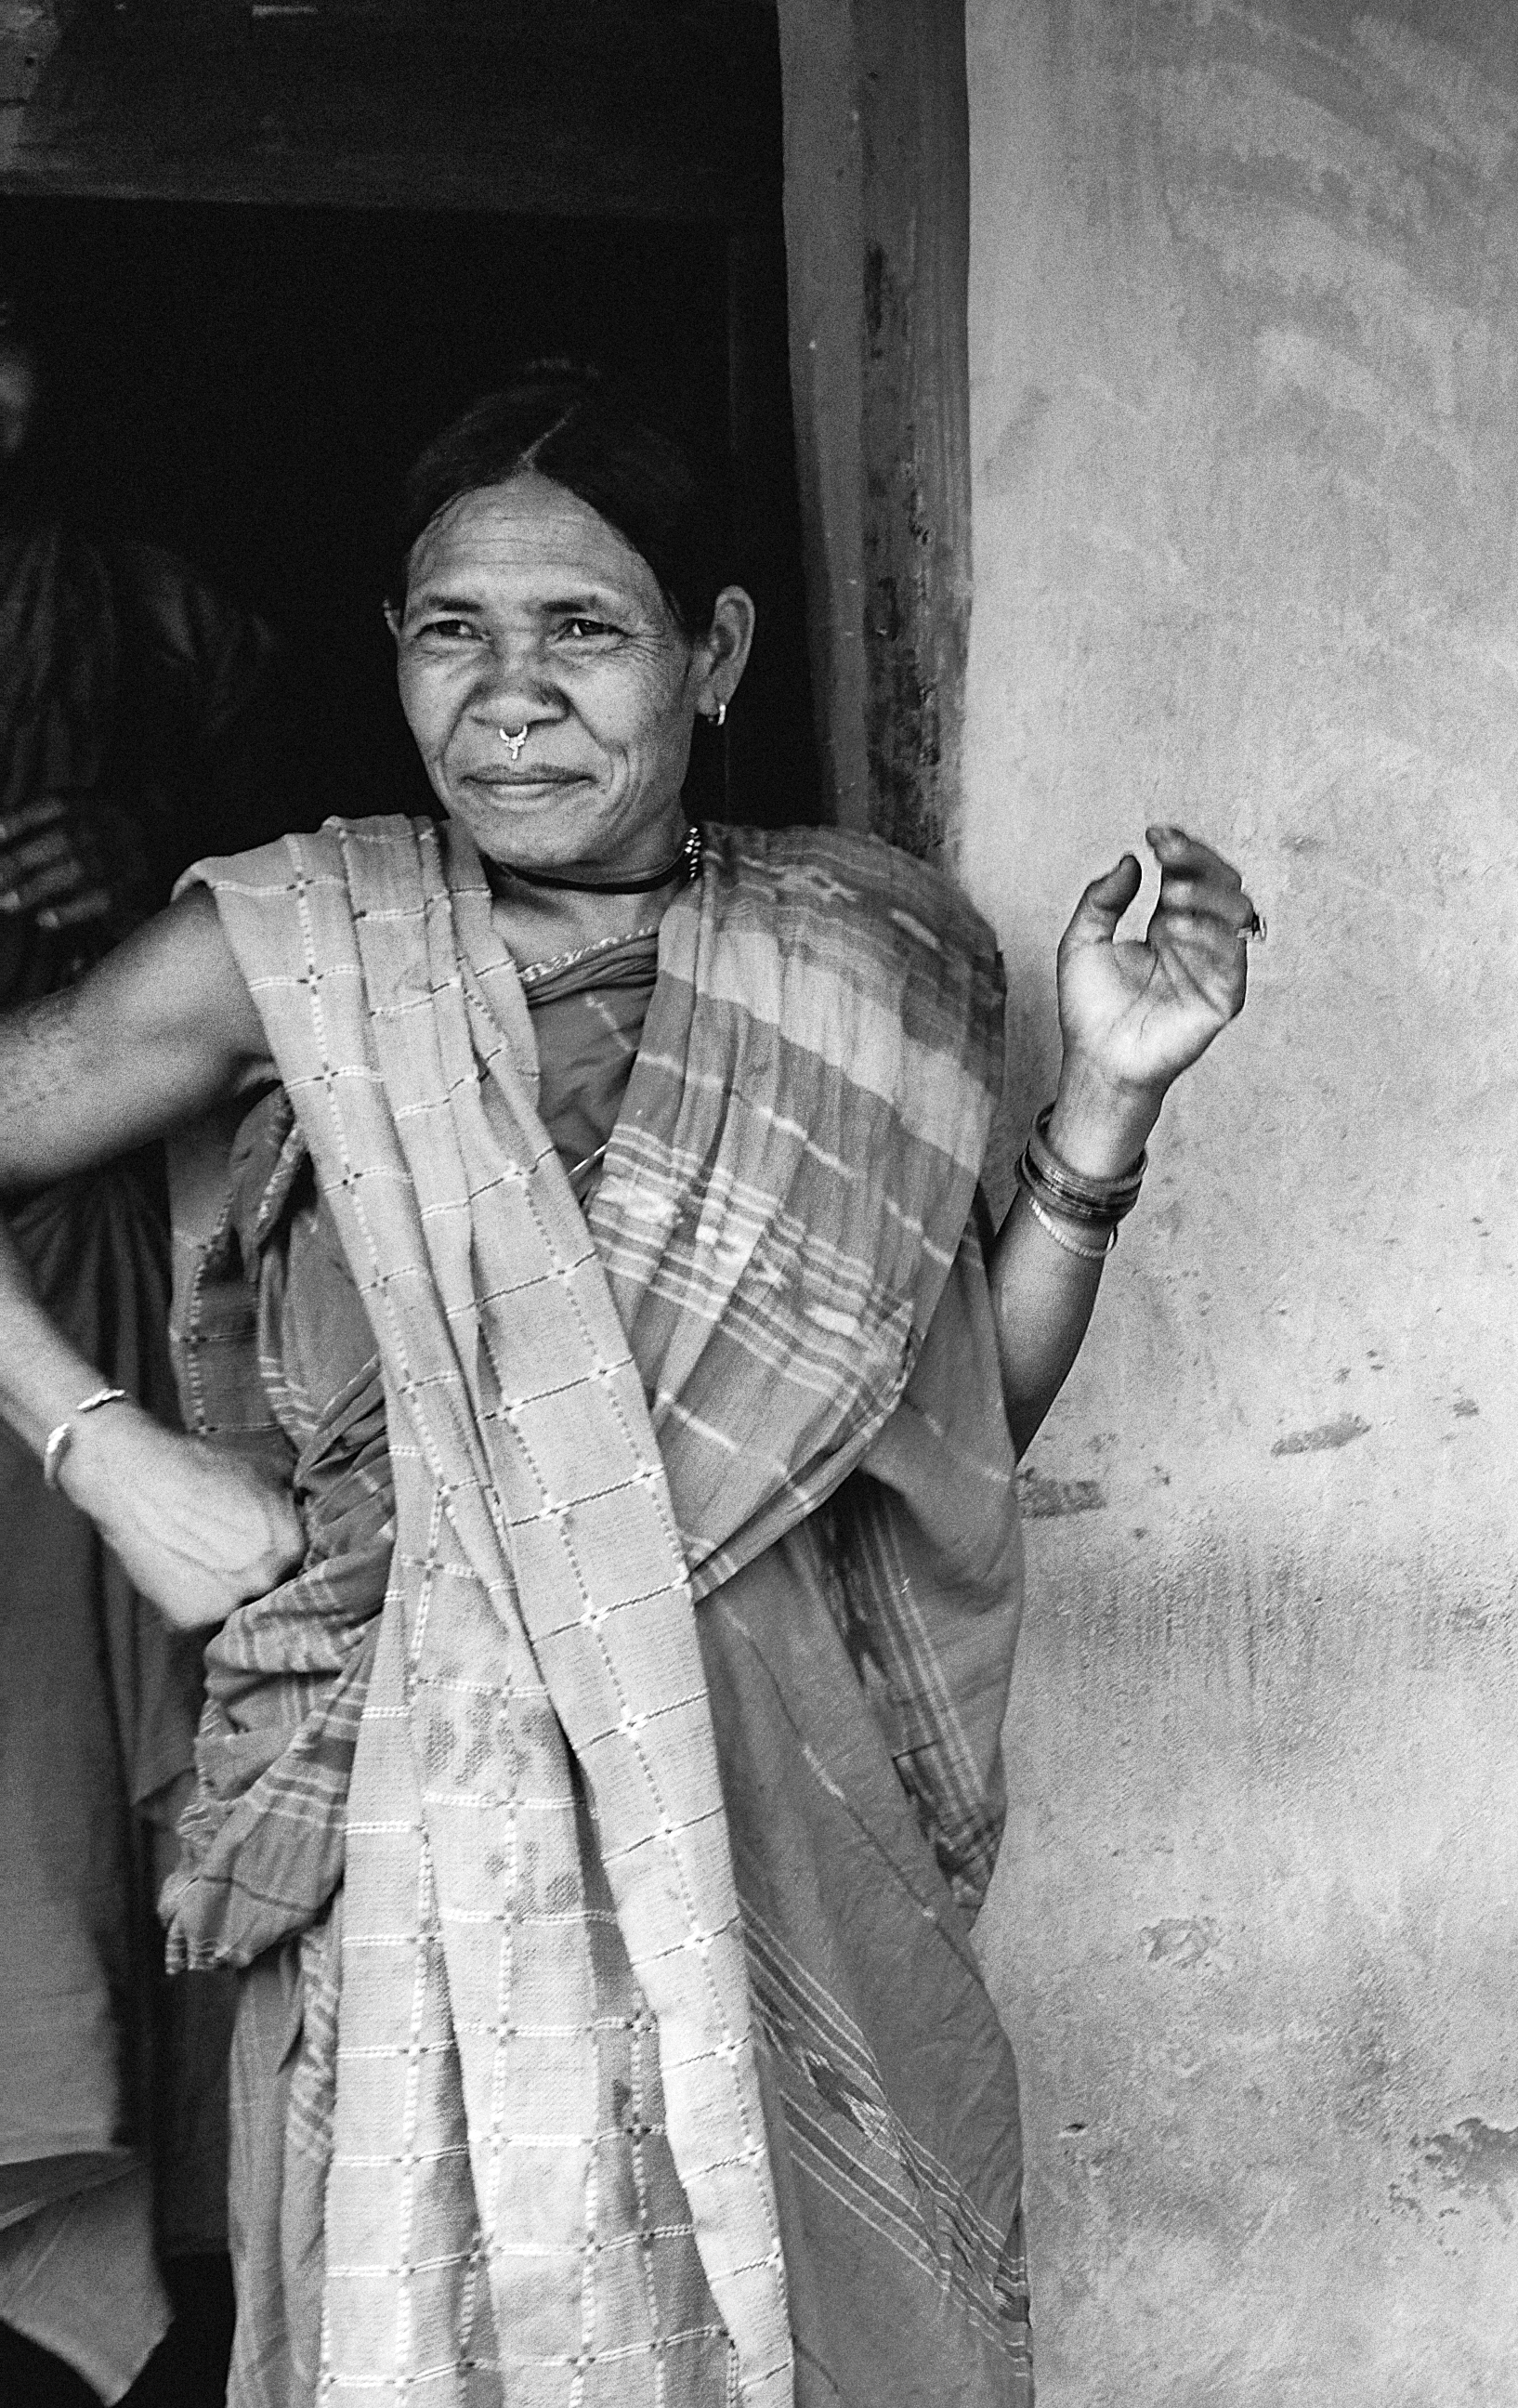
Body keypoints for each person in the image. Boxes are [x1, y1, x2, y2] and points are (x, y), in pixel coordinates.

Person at [0, 368, 1260, 2408]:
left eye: (581, 629)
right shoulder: (297, 952)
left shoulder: (870, 963)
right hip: (419, 1836)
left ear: (716, 649)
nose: (509, 695)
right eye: (450, 633)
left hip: (791, 1832)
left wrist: (1105, 1103)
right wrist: (100, 1442)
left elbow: (952, 1433)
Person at [0, 294, 283, 2406]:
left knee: (129, 1880)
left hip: (105, 1233)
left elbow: (326, 862)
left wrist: (146, 853)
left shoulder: (136, 611)